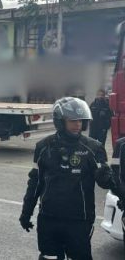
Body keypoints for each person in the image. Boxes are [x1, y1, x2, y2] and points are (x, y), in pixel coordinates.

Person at [19, 97, 122, 260]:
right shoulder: (43, 147)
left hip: (79, 220)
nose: (78, 125)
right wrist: (26, 213)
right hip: (49, 218)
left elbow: (108, 182)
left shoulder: (93, 148)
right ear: (60, 121)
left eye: (80, 121)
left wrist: (110, 183)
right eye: (72, 120)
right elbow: (35, 183)